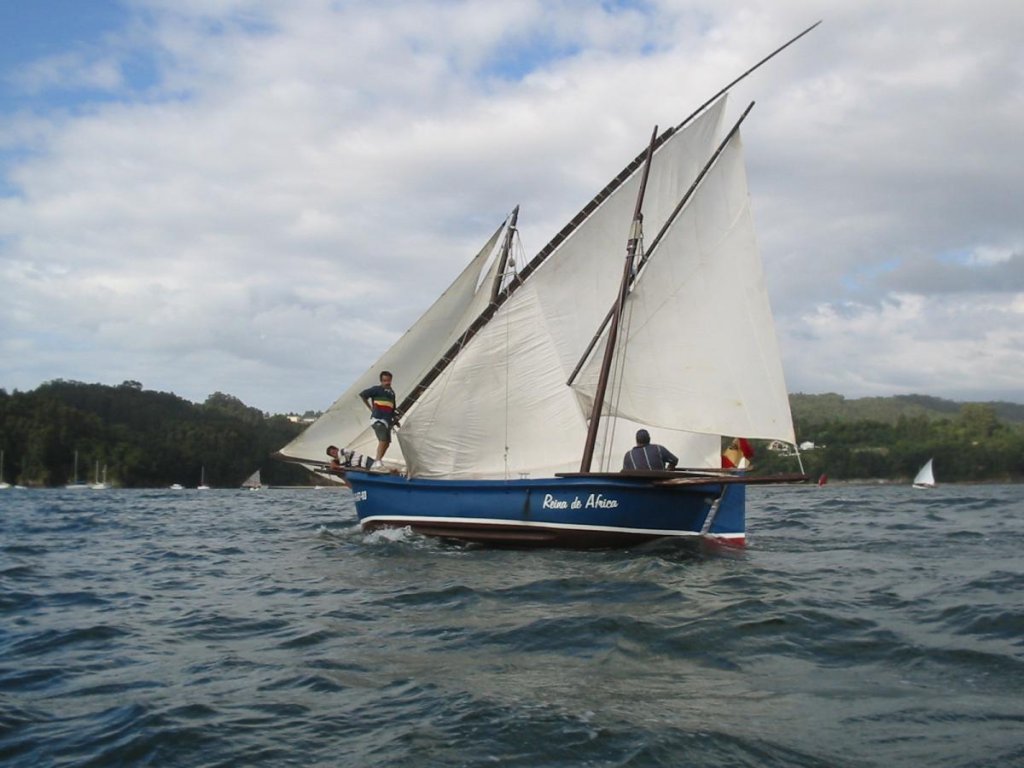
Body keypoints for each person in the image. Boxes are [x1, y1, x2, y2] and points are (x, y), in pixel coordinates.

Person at [359, 370, 399, 470]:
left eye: (389, 380)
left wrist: (395, 420)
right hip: (378, 419)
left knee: (387, 443)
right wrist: (370, 408)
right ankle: (377, 461)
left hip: (387, 420)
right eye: (385, 380)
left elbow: (392, 408)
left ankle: (378, 461)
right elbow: (363, 395)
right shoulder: (376, 389)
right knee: (383, 440)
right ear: (381, 381)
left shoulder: (392, 393)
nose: (387, 382)